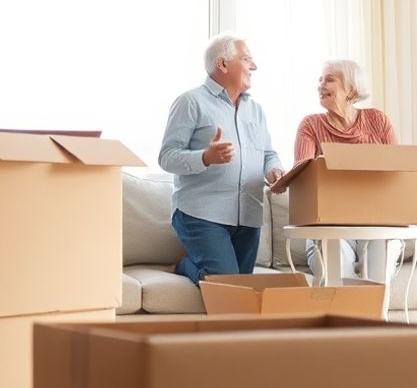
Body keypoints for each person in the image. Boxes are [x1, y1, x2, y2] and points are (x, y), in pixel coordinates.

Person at [159, 34, 284, 285]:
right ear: (223, 64)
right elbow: (167, 157)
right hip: (201, 214)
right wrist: (205, 157)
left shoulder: (256, 110)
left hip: (248, 217)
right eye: (247, 59)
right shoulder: (190, 102)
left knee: (242, 290)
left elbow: (268, 153)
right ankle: (184, 266)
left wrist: (274, 170)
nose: (254, 66)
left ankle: (200, 266)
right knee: (226, 284)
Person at [287, 59, 400, 282]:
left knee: (379, 278)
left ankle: (375, 317)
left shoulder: (378, 120)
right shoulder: (310, 125)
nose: (320, 85)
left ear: (351, 89)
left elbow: (398, 173)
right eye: (319, 79)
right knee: (339, 280)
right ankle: (343, 316)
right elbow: (302, 176)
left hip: (377, 223)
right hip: (329, 226)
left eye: (329, 79)